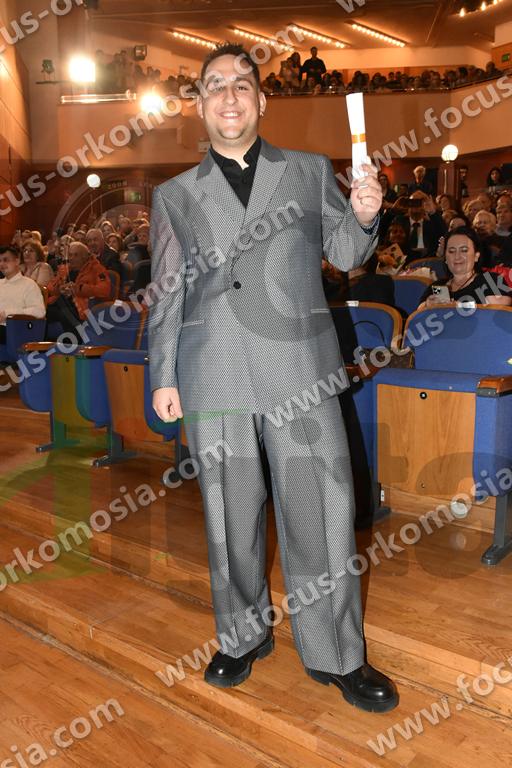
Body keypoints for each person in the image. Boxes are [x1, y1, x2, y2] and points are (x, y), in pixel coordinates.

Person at [149, 41, 398, 713]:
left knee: (322, 508)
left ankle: (339, 654)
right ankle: (242, 636)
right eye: (215, 85)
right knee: (229, 514)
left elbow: (346, 254)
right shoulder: (174, 195)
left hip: (299, 367)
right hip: (214, 367)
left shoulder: (309, 171)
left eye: (242, 84)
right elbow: (167, 289)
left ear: (260, 101)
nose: (228, 95)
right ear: (199, 105)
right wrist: (162, 373)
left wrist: (365, 213)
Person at [418, 227, 511, 309]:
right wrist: (427, 305)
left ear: (476, 256)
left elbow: (500, 306)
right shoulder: (439, 286)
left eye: (464, 250)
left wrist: (459, 306)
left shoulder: (490, 279)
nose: (457, 256)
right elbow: (418, 313)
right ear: (445, 258)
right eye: (451, 251)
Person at [46, 242, 111, 334]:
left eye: (76, 255)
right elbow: (50, 287)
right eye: (70, 255)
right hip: (59, 303)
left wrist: (78, 289)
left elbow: (104, 290)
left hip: (81, 307)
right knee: (42, 312)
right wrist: (60, 289)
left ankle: (72, 342)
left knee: (65, 314)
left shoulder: (97, 269)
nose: (71, 258)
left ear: (85, 257)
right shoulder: (65, 269)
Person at [0, 246, 45, 345]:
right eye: (0, 261)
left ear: (17, 261)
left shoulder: (29, 285)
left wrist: (7, 313)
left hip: (16, 330)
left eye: (6, 260)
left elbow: (39, 311)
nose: (1, 264)